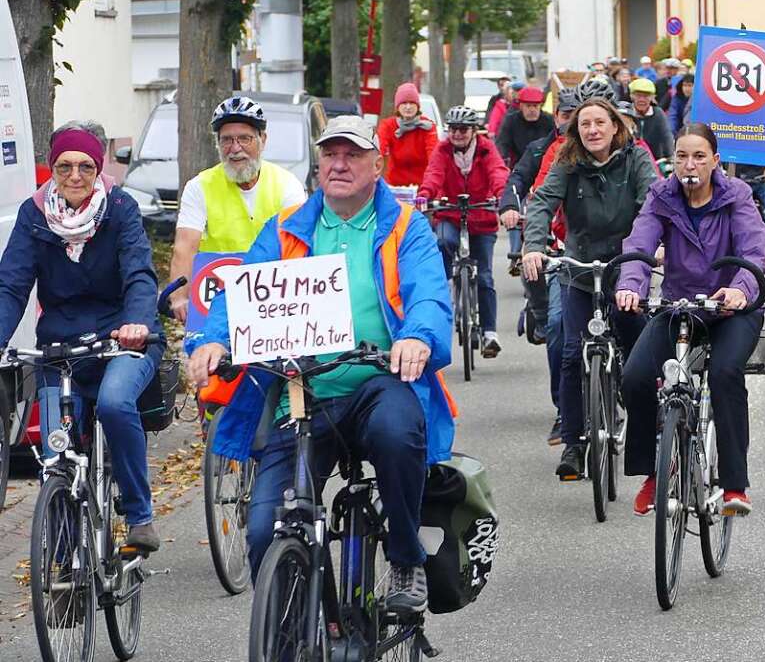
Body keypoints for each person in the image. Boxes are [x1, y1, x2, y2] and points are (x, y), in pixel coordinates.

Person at [188, 115, 454, 612]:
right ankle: (313, 625)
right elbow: (242, 292)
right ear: (317, 164)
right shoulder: (286, 227)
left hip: (378, 380)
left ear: (378, 164)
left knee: (398, 436)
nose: (339, 164)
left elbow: (430, 298)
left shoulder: (404, 225)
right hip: (302, 391)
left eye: (352, 154)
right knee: (268, 526)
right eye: (330, 154)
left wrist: (417, 338)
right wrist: (214, 342)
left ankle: (405, 558)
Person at [0, 121, 164, 551]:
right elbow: (12, 285)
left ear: (99, 169)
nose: (75, 176)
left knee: (113, 403)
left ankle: (138, 514)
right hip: (62, 347)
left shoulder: (121, 209)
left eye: (86, 167)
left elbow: (140, 275)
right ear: (52, 169)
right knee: (56, 450)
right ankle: (62, 564)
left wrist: (137, 323)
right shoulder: (34, 215)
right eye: (65, 166)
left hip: (123, 339)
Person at [616, 123, 765, 516]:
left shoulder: (737, 195)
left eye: (699, 156)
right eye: (682, 155)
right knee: (634, 376)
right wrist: (631, 284)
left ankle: (735, 485)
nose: (690, 164)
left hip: (731, 307)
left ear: (715, 160)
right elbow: (639, 243)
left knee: (724, 373)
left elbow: (754, 249)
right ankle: (655, 472)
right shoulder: (661, 196)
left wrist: (740, 289)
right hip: (679, 305)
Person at [521, 98, 657, 479]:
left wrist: (654, 246)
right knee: (570, 352)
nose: (593, 130)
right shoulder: (567, 160)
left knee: (637, 343)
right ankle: (573, 443)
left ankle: (650, 423)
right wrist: (533, 246)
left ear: (616, 126)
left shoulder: (636, 159)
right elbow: (544, 201)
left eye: (600, 123)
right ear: (576, 131)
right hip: (579, 266)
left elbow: (652, 204)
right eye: (585, 125)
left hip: (625, 265)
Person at [167, 96, 306, 321]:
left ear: (263, 140)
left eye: (245, 139)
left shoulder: (287, 185)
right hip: (215, 294)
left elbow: (299, 251)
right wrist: (180, 298)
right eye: (227, 140)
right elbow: (185, 247)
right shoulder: (199, 187)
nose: (235, 148)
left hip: (272, 298)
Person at [500, 87, 578, 444]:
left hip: (608, 252)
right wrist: (510, 207)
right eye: (567, 114)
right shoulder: (543, 151)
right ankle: (565, 409)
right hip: (559, 247)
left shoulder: (620, 154)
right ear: (558, 116)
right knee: (559, 326)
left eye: (582, 115)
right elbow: (526, 186)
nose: (574, 123)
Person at [419, 105, 510, 358]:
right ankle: (449, 283)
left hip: (481, 216)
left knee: (485, 277)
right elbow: (434, 174)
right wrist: (425, 196)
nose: (457, 134)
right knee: (443, 242)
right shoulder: (442, 149)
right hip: (450, 213)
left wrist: (504, 198)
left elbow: (497, 172)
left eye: (463, 129)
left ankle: (490, 333)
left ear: (473, 131)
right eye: (453, 129)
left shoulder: (485, 148)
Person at [377, 82, 439, 187]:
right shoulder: (388, 125)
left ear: (418, 106)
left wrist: (432, 185)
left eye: (412, 103)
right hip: (395, 185)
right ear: (398, 107)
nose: (408, 107)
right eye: (404, 103)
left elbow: (434, 157)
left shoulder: (427, 126)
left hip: (423, 185)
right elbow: (379, 150)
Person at [496, 86, 555, 170]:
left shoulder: (549, 121)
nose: (532, 110)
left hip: (545, 166)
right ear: (521, 106)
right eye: (528, 106)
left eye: (535, 106)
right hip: (518, 165)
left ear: (540, 106)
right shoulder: (511, 120)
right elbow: (502, 144)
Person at [628, 78, 674, 160]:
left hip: (654, 159)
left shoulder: (658, 113)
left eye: (646, 96)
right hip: (629, 159)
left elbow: (666, 136)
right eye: (638, 95)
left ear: (652, 97)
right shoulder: (627, 113)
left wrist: (670, 157)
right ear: (632, 96)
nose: (642, 100)